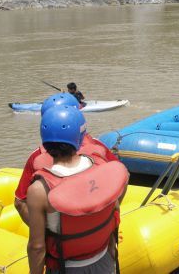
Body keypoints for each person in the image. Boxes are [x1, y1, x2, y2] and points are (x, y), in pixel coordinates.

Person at [26, 105, 129, 274]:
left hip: (65, 268)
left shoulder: (39, 190)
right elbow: (115, 207)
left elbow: (37, 248)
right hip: (104, 260)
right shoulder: (103, 167)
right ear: (81, 137)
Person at [14, 93, 119, 226]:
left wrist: (46, 232)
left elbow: (20, 202)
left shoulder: (36, 157)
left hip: (62, 237)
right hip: (100, 232)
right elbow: (121, 178)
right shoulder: (98, 147)